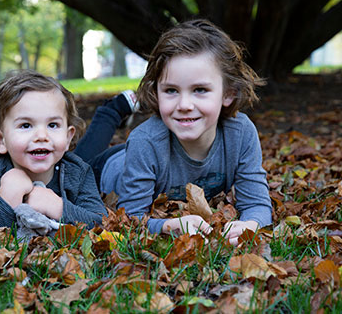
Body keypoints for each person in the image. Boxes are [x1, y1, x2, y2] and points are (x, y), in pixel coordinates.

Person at [76, 19, 272, 245]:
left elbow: (257, 204)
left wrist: (251, 225)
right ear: (156, 92)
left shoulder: (241, 133)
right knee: (71, 166)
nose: (185, 104)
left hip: (145, 155)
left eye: (200, 90)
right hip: (108, 167)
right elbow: (129, 219)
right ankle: (113, 110)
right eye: (171, 90)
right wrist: (166, 226)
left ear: (228, 93)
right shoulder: (145, 141)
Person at [0, 70, 107, 234]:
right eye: (26, 125)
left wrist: (57, 207)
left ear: (68, 137)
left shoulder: (79, 172)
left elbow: (101, 222)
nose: (41, 136)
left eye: (52, 125)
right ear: (1, 140)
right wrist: (8, 196)